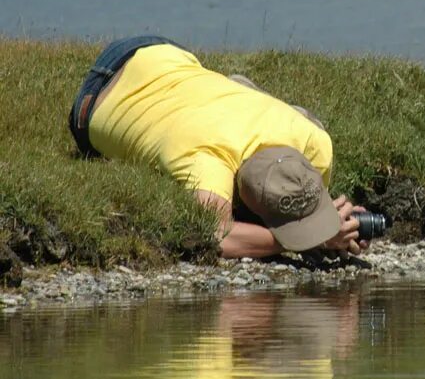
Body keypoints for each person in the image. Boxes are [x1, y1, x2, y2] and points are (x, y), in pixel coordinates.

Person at [68, 36, 366, 259]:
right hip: (96, 98)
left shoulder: (316, 143)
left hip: (166, 55)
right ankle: (232, 92)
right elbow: (218, 235)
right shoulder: (209, 160)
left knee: (279, 119)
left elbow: (304, 194)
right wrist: (305, 240)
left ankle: (234, 91)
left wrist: (334, 220)